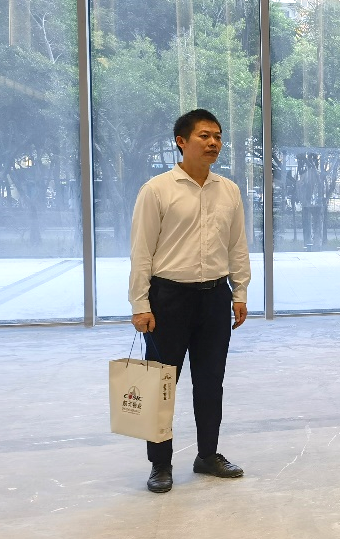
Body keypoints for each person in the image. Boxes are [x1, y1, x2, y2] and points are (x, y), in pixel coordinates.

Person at [128, 109, 250, 494]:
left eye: (218, 136)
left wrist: (240, 291)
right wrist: (140, 304)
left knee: (211, 381)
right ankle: (160, 463)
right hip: (169, 299)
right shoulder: (157, 189)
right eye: (204, 136)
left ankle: (207, 455)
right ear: (181, 142)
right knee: (161, 383)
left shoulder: (228, 190)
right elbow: (141, 251)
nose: (213, 143)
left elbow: (237, 246)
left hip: (215, 297)